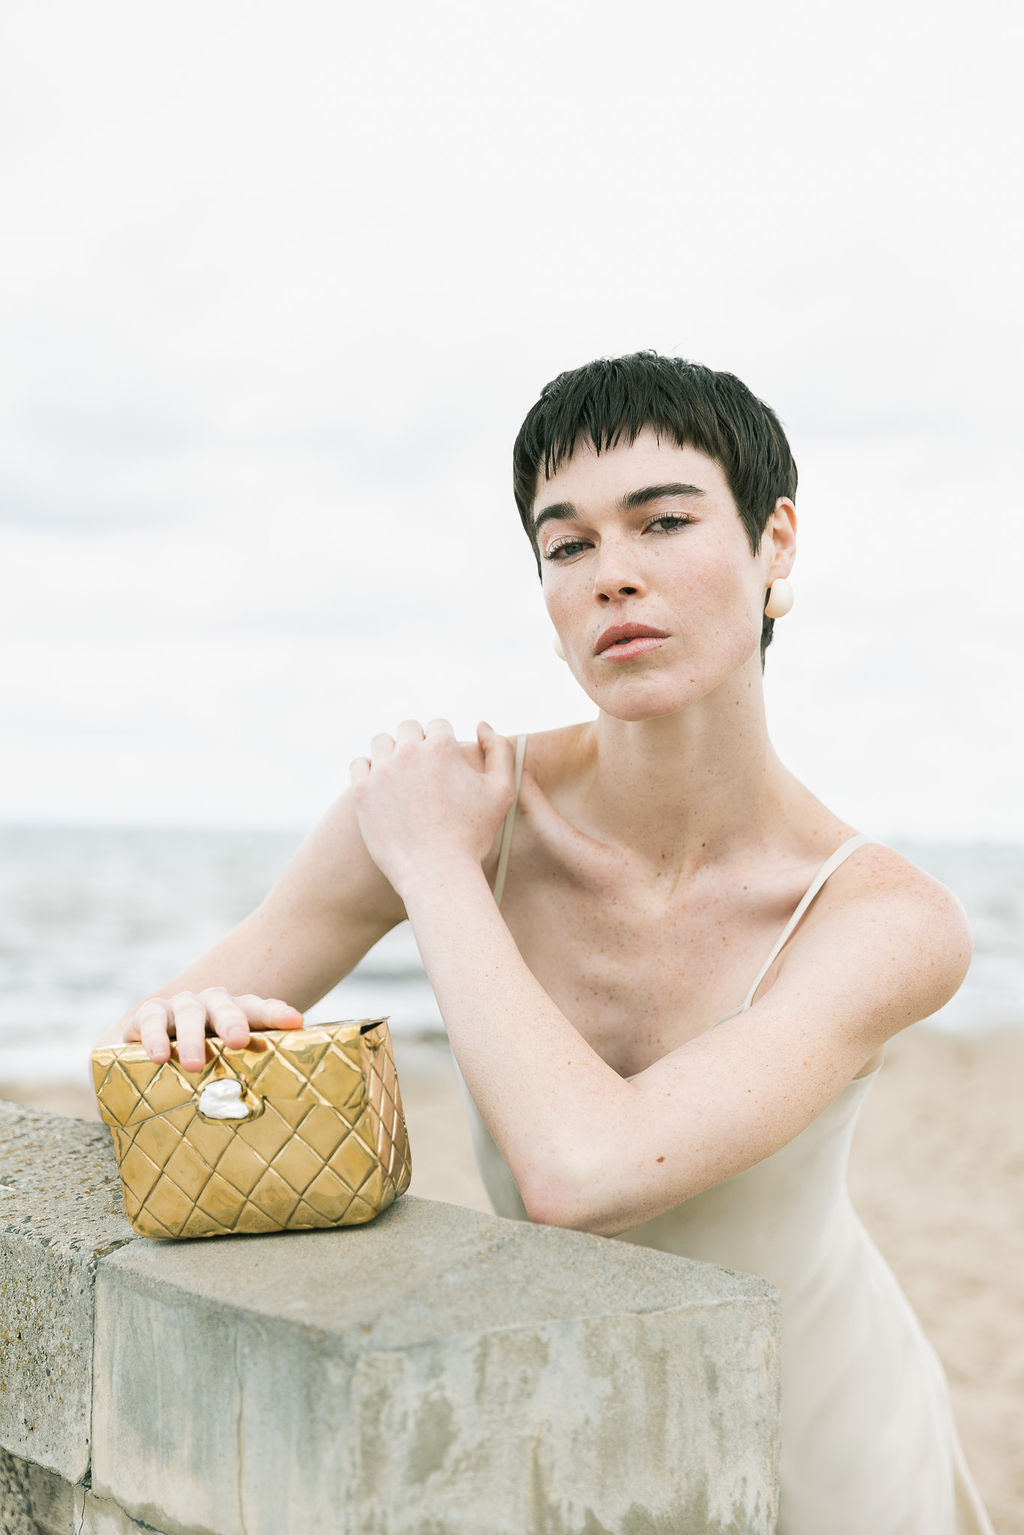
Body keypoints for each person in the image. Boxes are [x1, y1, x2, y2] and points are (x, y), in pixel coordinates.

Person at [95, 352, 995, 1534]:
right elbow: (134, 1071)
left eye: (663, 521)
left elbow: (582, 1172)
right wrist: (182, 1032)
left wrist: (436, 872)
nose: (612, 572)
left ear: (774, 544)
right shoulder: (444, 805)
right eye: (566, 544)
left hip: (823, 1439)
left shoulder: (884, 917)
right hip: (556, 1428)